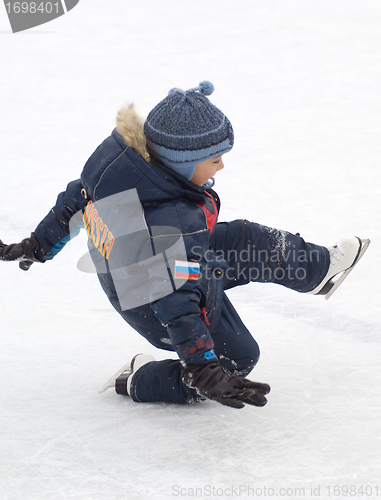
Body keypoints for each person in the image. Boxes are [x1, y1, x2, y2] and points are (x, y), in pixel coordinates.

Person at [0, 81, 367, 409]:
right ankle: (141, 379)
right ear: (180, 161)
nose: (221, 167)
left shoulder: (124, 165)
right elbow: (176, 300)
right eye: (214, 160)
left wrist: (36, 245)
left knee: (246, 240)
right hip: (149, 300)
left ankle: (318, 272)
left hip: (148, 266)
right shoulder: (174, 220)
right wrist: (201, 365)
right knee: (235, 360)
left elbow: (73, 199)